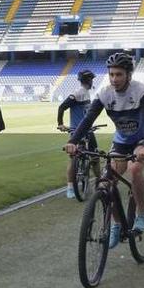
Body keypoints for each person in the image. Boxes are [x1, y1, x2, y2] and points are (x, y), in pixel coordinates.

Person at [64, 53, 144, 248]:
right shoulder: (105, 93)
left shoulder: (141, 91)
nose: (114, 79)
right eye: (111, 74)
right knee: (106, 183)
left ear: (128, 75)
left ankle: (141, 215)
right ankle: (116, 224)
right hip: (122, 141)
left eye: (119, 75)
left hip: (143, 139)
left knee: (135, 170)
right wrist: (73, 140)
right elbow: (88, 119)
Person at [57, 69, 99, 198]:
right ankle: (100, 182)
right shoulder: (78, 93)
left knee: (73, 157)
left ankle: (70, 187)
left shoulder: (85, 92)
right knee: (95, 157)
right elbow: (62, 107)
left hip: (82, 130)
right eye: (91, 80)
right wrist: (60, 123)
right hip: (79, 131)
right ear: (89, 80)